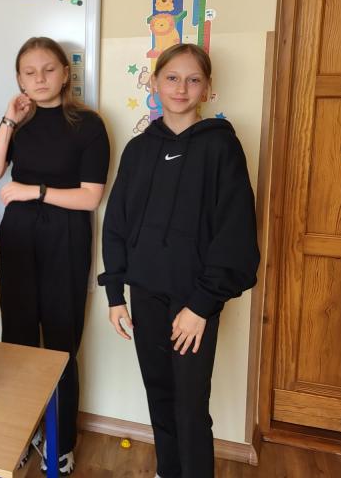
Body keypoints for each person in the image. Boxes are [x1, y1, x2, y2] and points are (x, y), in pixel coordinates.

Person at [98, 43, 259, 478]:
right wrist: (115, 295)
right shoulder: (138, 149)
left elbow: (235, 233)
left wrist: (201, 306)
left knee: (190, 406)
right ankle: (167, 471)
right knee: (160, 395)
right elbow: (116, 224)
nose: (181, 88)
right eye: (171, 77)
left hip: (193, 301)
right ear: (155, 83)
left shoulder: (221, 147)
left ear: (207, 87)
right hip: (145, 294)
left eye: (193, 79)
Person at [0, 36, 110, 476]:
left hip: (65, 238)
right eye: (29, 72)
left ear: (65, 73)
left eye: (48, 69)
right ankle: (21, 431)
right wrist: (8, 120)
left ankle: (61, 440)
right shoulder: (19, 123)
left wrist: (34, 191)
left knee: (60, 343)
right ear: (19, 79)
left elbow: (90, 197)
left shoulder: (88, 125)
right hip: (18, 238)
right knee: (16, 339)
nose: (39, 79)